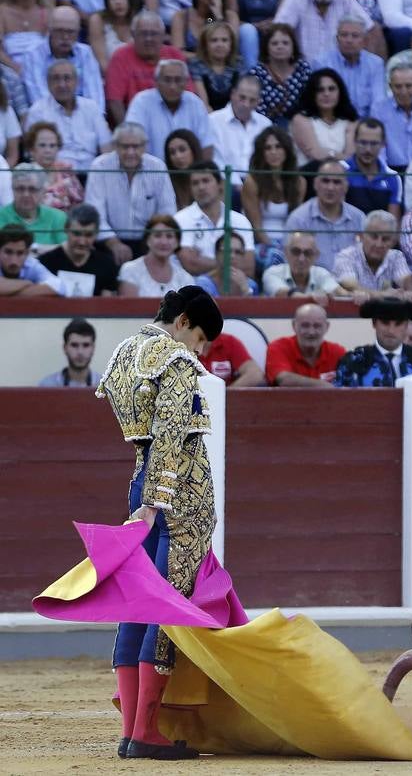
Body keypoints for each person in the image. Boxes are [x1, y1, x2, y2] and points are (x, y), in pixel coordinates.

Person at [96, 285, 223, 761]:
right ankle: (145, 731)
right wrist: (158, 500)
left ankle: (132, 731)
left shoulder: (125, 353)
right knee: (167, 605)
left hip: (140, 479)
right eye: (202, 338)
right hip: (176, 495)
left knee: (138, 602)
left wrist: (144, 498)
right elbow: (172, 433)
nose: (201, 350)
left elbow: (145, 435)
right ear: (186, 321)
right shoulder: (175, 361)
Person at [85, 122, 176, 265]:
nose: (130, 152)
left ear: (145, 146)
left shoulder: (157, 166)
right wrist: (113, 243)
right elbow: (95, 214)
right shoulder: (100, 166)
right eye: (125, 146)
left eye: (136, 146)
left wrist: (154, 243)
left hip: (149, 242)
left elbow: (167, 212)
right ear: (115, 146)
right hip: (108, 242)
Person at [275, 0, 375, 65]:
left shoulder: (346, 1)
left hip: (339, 72)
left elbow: (368, 30)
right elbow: (279, 31)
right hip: (303, 70)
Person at [105, 11, 190, 126]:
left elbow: (189, 95)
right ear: (133, 35)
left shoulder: (175, 55)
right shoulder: (120, 57)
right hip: (135, 123)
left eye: (154, 34)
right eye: (143, 34)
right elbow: (115, 102)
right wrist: (128, 132)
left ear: (163, 35)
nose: (148, 38)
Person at [26, 60, 112, 171]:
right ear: (47, 83)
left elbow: (106, 148)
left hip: (92, 173)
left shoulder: (91, 108)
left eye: (67, 78)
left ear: (77, 82)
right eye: (56, 79)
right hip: (54, 174)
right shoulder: (38, 111)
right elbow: (32, 153)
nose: (62, 84)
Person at [333, 296, 412, 386]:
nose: (391, 331)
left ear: (406, 326)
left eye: (398, 324)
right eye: (385, 323)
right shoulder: (354, 361)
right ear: (374, 323)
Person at [173, 161, 255, 276]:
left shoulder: (240, 221)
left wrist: (202, 260)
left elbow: (248, 267)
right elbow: (191, 264)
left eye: (206, 181)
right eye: (195, 183)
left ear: (220, 184)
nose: (201, 187)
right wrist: (231, 264)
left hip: (234, 284)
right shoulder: (180, 219)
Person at [125, 59, 214, 162]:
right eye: (167, 80)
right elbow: (133, 141)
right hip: (150, 172)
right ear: (156, 81)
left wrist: (200, 172)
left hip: (189, 174)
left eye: (178, 80)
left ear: (186, 82)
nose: (172, 86)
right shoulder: (141, 101)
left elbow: (206, 145)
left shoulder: (195, 103)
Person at [284, 159, 366, 271]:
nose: (330, 187)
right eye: (325, 181)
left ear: (346, 187)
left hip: (353, 284)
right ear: (315, 184)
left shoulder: (359, 218)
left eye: (336, 182)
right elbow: (290, 263)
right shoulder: (299, 219)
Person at [240, 125, 305, 265]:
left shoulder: (299, 182)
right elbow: (256, 227)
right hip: (261, 243)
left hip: (289, 242)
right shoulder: (252, 182)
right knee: (275, 257)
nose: (273, 152)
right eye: (268, 148)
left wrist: (291, 248)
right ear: (261, 152)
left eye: (278, 147)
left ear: (286, 150)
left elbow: (296, 224)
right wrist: (278, 249)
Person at [21, 5, 104, 110]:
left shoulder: (85, 53)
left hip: (83, 118)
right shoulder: (33, 55)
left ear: (78, 31)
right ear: (49, 30)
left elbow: (95, 97)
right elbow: (38, 98)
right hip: (46, 119)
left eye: (70, 32)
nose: (65, 37)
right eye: (59, 31)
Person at [38, 201, 118, 296]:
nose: (82, 242)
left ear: (96, 234)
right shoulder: (46, 263)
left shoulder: (106, 265)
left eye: (88, 235)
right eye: (76, 234)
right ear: (66, 229)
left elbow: (107, 306)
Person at [334, 209, 412, 299]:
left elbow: (406, 280)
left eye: (385, 239)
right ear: (362, 236)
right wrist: (382, 295)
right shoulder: (346, 256)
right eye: (374, 237)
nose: (378, 244)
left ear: (393, 242)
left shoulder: (396, 256)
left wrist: (410, 292)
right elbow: (350, 286)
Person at [169, 0, 245, 64]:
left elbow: (230, 52)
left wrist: (218, 17)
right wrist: (209, 58)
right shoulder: (181, 17)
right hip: (190, 70)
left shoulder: (230, 17)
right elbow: (178, 54)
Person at [314, 16, 385, 118]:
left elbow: (378, 102)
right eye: (344, 35)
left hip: (365, 124)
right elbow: (321, 102)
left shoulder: (376, 64)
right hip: (333, 121)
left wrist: (368, 127)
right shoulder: (321, 63)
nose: (349, 40)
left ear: (365, 41)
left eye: (355, 36)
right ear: (337, 39)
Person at [265, 301, 346, 387]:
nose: (311, 332)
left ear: (327, 327)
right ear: (294, 326)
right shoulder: (279, 347)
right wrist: (323, 385)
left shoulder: (337, 352)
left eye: (317, 326)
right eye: (305, 325)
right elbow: (284, 379)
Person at [209, 73, 271, 184]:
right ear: (232, 94)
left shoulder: (265, 124)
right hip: (225, 185)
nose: (246, 104)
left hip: (258, 186)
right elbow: (216, 161)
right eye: (242, 98)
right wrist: (238, 185)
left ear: (258, 101)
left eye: (252, 100)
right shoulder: (213, 121)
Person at [290, 66, 357, 167]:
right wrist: (337, 155)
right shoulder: (301, 120)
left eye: (331, 89)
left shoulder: (351, 121)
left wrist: (329, 154)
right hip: (309, 175)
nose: (326, 94)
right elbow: (315, 155)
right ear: (312, 94)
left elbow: (351, 159)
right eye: (320, 90)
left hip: (343, 176)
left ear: (340, 92)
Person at [118, 213, 194, 296]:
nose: (164, 242)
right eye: (157, 235)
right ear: (147, 240)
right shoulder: (130, 270)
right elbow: (129, 307)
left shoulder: (185, 279)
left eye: (169, 236)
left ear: (177, 242)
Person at [251, 22, 312, 124]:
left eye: (285, 43)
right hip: (266, 127)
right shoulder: (257, 73)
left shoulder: (303, 69)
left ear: (293, 47)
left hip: (299, 127)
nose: (280, 47)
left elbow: (309, 104)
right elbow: (257, 111)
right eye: (274, 43)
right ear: (267, 48)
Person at [0, 0, 51, 72]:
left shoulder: (48, 13)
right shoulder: (2, 12)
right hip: (7, 71)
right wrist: (16, 68)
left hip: (41, 70)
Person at [343, 117, 402, 218]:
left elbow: (393, 223)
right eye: (363, 142)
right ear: (354, 141)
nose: (368, 149)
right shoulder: (340, 170)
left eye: (374, 143)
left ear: (383, 144)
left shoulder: (393, 177)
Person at [262, 229, 345, 300]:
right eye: (296, 252)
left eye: (308, 253)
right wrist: (313, 297)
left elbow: (337, 291)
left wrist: (355, 294)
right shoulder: (272, 272)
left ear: (316, 255)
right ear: (286, 252)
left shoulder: (321, 273)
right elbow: (282, 293)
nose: (301, 259)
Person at [0, 162, 66, 248]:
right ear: (12, 189)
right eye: (20, 189)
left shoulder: (58, 217)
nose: (26, 194)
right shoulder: (1, 216)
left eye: (32, 189)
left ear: (44, 192)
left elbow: (65, 250)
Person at [23, 120, 83, 211]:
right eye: (42, 145)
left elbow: (79, 206)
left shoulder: (66, 171)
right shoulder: (24, 174)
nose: (48, 150)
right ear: (31, 149)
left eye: (52, 146)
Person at [88, 0, 141, 77]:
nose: (118, 2)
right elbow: (102, 65)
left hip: (137, 79)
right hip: (108, 79)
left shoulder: (141, 21)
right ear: (106, 1)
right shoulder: (98, 21)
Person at [190, 21, 246, 113]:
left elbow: (240, 100)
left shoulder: (238, 64)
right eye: (214, 40)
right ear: (205, 45)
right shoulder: (196, 64)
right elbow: (204, 105)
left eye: (224, 40)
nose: (220, 45)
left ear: (231, 44)